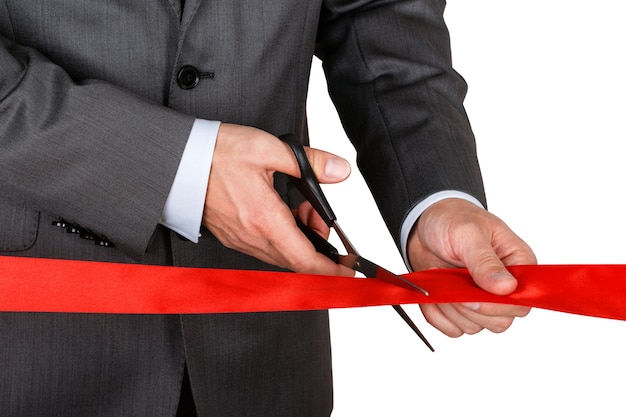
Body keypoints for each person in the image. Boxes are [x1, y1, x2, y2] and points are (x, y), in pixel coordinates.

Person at [0, 1, 536, 416]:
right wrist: (178, 168)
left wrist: (436, 198)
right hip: (31, 351)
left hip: (267, 360)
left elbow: (376, 16)